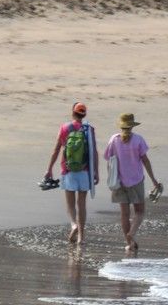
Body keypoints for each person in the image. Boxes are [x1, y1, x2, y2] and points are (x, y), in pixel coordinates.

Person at [104, 112, 161, 253]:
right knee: (139, 211)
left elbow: (109, 160)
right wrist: (154, 180)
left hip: (119, 181)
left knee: (124, 214)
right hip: (136, 180)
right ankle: (131, 234)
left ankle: (129, 243)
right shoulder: (138, 140)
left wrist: (112, 177)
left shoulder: (113, 140)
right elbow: (145, 161)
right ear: (132, 125)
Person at [45, 102, 99, 244]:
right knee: (81, 204)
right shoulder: (89, 129)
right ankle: (81, 236)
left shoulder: (64, 128)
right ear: (84, 114)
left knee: (70, 204)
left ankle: (73, 224)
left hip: (68, 170)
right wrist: (96, 172)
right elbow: (94, 152)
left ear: (72, 112)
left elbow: (56, 150)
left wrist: (49, 168)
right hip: (84, 170)